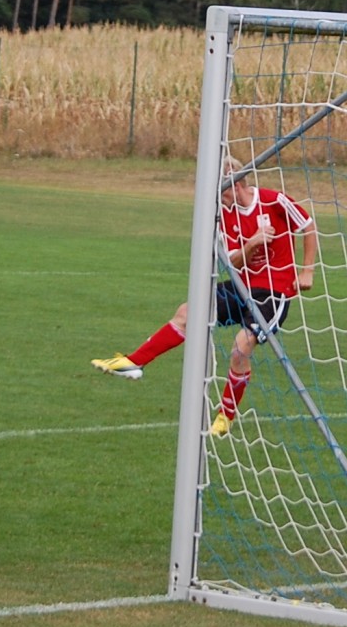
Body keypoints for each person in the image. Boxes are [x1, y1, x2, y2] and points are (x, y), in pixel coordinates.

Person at [92, 157, 318, 437]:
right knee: (187, 312)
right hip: (242, 286)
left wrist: (307, 271)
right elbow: (233, 262)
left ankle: (225, 416)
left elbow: (308, 226)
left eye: (219, 189)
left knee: (241, 347)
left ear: (235, 184)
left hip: (275, 291)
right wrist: (252, 244)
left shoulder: (274, 201)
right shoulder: (224, 215)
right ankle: (134, 362)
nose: (217, 197)